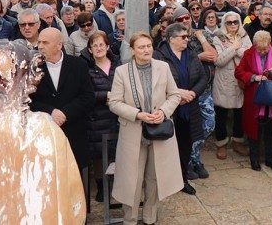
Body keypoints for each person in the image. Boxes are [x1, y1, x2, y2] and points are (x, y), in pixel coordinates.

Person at [107, 31, 184, 225]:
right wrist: (137, 114)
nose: (146, 50)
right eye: (141, 47)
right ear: (132, 50)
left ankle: (150, 218)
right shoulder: (122, 71)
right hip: (133, 133)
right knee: (132, 180)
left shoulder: (163, 67)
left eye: (149, 46)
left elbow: (174, 95)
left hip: (159, 132)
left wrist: (164, 112)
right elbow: (114, 103)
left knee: (154, 178)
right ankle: (130, 219)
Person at [30, 28, 94, 179]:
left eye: (45, 42)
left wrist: (66, 113)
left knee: (76, 182)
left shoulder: (78, 65)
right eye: (39, 42)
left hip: (74, 134)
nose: (40, 46)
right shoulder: (33, 68)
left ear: (59, 45)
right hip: (45, 135)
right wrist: (51, 111)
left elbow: (88, 97)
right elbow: (29, 100)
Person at [153, 23, 207, 188]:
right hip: (170, 109)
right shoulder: (159, 55)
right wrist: (178, 94)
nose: (187, 39)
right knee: (168, 146)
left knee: (186, 144)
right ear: (171, 39)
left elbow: (203, 78)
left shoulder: (191, 54)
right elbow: (158, 82)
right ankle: (166, 181)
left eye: (187, 36)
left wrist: (191, 94)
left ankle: (183, 179)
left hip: (188, 108)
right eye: (183, 37)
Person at [235, 30, 272, 171]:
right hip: (255, 97)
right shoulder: (249, 53)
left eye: (265, 48)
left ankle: (271, 159)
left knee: (271, 129)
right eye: (260, 49)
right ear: (255, 45)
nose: (263, 51)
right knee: (255, 130)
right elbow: (239, 72)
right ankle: (254, 159)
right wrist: (254, 77)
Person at [79, 31, 119, 203]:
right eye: (94, 45)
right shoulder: (86, 69)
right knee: (99, 154)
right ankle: (102, 186)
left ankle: (115, 184)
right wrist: (105, 96)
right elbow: (85, 94)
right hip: (97, 117)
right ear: (90, 49)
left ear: (108, 46)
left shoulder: (118, 65)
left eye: (101, 44)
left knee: (116, 152)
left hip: (117, 115)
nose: (98, 48)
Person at [212, 12, 252, 159]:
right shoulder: (218, 37)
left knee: (239, 114)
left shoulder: (244, 36)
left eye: (235, 22)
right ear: (224, 23)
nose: (233, 25)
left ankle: (237, 142)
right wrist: (234, 48)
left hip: (240, 80)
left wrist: (233, 49)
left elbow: (250, 55)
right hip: (223, 80)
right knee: (221, 114)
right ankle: (221, 144)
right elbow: (219, 60)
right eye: (229, 22)